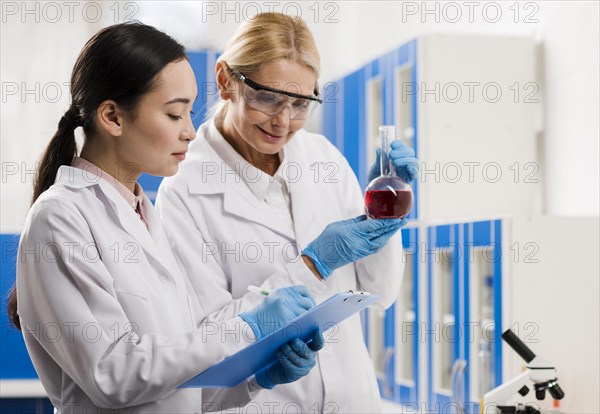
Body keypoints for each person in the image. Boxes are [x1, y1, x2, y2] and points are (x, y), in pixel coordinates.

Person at [6, 22, 326, 414]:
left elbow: (183, 381)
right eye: (175, 115)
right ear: (113, 117)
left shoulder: (145, 217)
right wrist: (247, 327)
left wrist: (260, 377)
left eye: (191, 113)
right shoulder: (60, 218)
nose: (191, 131)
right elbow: (114, 376)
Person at [156, 12, 419, 413]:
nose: (283, 121)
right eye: (267, 98)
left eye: (300, 103)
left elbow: (380, 293)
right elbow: (207, 339)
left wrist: (382, 219)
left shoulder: (323, 157)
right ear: (226, 80)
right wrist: (312, 266)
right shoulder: (186, 192)